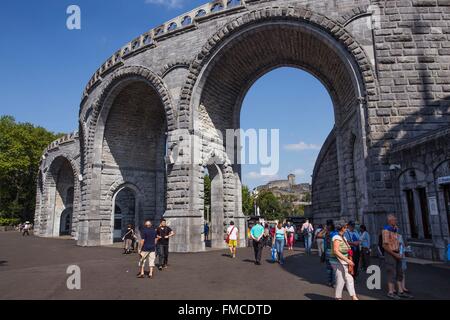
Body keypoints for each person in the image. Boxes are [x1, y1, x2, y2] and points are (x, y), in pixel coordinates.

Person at [382, 214, 413, 299]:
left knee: (400, 272)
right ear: (390, 221)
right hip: (390, 254)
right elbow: (385, 246)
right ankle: (391, 292)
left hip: (398, 253)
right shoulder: (386, 230)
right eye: (394, 220)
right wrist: (395, 254)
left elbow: (398, 242)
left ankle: (400, 291)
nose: (396, 221)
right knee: (391, 272)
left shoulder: (395, 229)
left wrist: (401, 252)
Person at [330, 220, 358, 300]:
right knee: (340, 279)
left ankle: (353, 296)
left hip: (343, 261)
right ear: (342, 228)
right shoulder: (336, 237)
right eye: (345, 227)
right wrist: (348, 260)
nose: (346, 228)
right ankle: (338, 297)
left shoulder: (343, 237)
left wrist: (349, 259)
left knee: (349, 278)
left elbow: (348, 249)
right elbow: (336, 251)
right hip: (337, 261)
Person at [317, 220, 335, 287]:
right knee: (331, 268)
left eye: (327, 225)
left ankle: (331, 282)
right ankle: (332, 282)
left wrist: (324, 229)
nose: (327, 226)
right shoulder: (332, 233)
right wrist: (325, 230)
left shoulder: (330, 233)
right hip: (330, 252)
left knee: (331, 268)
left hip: (330, 252)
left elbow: (319, 235)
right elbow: (319, 235)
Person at [398, 232, 413, 297]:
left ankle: (403, 287)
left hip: (402, 256)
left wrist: (405, 248)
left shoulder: (400, 236)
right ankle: (399, 289)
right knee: (398, 273)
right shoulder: (391, 236)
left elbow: (403, 245)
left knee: (403, 272)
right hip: (397, 256)